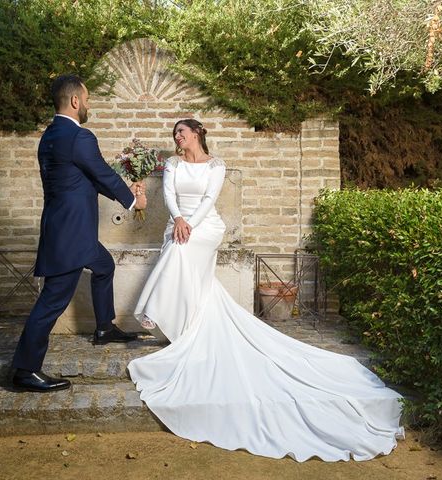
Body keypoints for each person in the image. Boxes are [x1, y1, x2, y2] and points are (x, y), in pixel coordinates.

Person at [127, 119, 405, 462]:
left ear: (196, 134)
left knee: (180, 251)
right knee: (183, 258)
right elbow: (169, 195)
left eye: (181, 133)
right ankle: (184, 325)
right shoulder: (171, 164)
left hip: (206, 226)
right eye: (174, 134)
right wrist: (179, 221)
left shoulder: (216, 165)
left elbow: (209, 199)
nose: (177, 138)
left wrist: (191, 223)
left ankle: (160, 313)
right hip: (178, 223)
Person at [11, 75, 146, 393]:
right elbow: (102, 173)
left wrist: (124, 193)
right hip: (71, 235)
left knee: (104, 266)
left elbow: (85, 178)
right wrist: (132, 198)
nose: (88, 105)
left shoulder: (49, 136)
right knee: (52, 301)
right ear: (74, 101)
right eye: (86, 99)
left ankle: (103, 327)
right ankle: (25, 370)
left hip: (65, 230)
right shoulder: (79, 136)